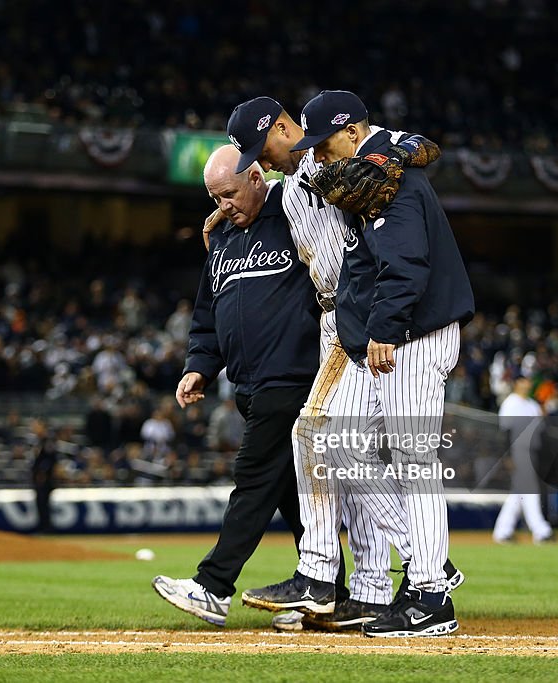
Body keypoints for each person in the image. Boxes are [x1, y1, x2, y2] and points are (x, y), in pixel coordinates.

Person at [223, 96, 464, 632]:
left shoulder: (371, 169)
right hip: (359, 324)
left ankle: (419, 585)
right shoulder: (310, 182)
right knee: (334, 441)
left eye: (262, 149)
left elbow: (402, 253)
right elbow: (360, 254)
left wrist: (398, 148)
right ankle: (413, 568)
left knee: (401, 455)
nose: (263, 161)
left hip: (395, 328)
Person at [290, 90, 475, 637]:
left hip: (412, 340)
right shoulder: (379, 168)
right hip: (399, 339)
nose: (317, 157)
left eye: (322, 145)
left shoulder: (389, 182)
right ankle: (430, 562)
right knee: (340, 442)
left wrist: (385, 330)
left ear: (351, 133)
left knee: (414, 464)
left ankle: (430, 598)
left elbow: (406, 265)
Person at [152, 144, 339, 627]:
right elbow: (207, 317)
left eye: (230, 194)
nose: (223, 206)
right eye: (215, 197)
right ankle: (330, 594)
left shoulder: (295, 209)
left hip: (296, 376)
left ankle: (213, 586)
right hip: (249, 386)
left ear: (257, 178)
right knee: (290, 493)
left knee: (254, 477)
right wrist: (199, 365)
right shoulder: (223, 242)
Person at [492, 374, 555, 544]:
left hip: (532, 451)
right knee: (529, 490)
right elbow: (504, 432)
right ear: (516, 383)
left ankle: (502, 531)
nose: (527, 384)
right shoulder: (510, 403)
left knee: (519, 494)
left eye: (528, 381)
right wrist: (507, 456)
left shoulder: (532, 405)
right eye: (523, 381)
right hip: (517, 450)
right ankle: (541, 531)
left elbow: (540, 432)